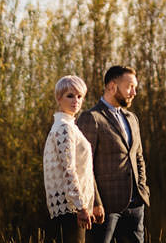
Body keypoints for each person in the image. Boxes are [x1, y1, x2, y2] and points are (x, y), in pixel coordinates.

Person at [76, 65, 149, 243]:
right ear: (112, 86)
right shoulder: (91, 118)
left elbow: (138, 157)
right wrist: (94, 202)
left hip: (135, 206)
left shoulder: (132, 119)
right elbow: (84, 166)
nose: (134, 92)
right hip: (105, 208)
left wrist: (142, 189)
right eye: (130, 86)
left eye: (135, 88)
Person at [44, 75, 105, 243]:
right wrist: (81, 207)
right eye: (70, 96)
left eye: (79, 96)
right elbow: (69, 170)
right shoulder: (64, 128)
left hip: (74, 206)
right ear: (58, 98)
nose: (75, 101)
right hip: (70, 208)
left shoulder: (70, 126)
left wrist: (94, 202)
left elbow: (84, 169)